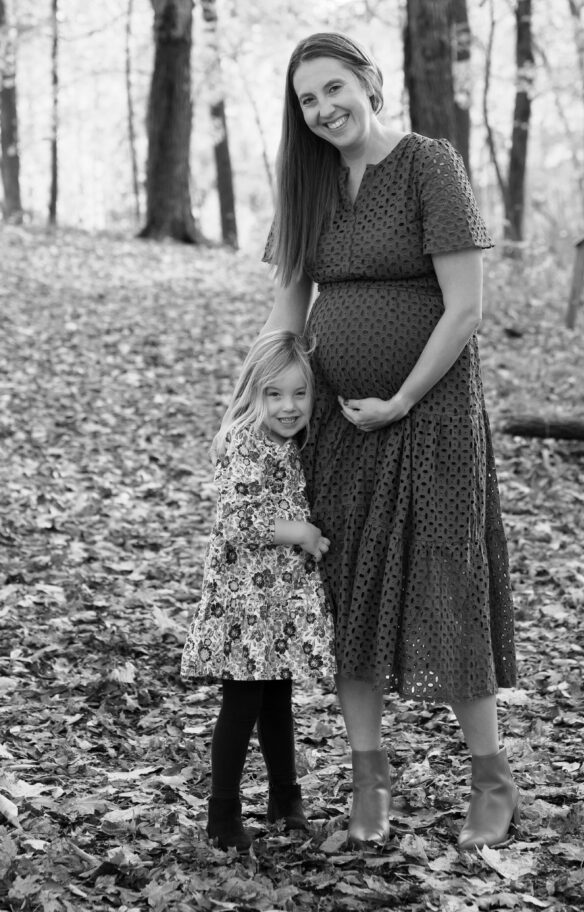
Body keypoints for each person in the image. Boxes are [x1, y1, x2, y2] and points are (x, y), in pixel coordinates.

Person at [260, 32, 519, 851]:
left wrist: (404, 397)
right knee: (348, 591)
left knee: (446, 580)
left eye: (334, 88)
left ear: (368, 82)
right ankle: (368, 777)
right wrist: (261, 403)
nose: (324, 108)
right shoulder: (306, 184)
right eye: (307, 99)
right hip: (335, 422)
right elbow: (286, 305)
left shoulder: (427, 164)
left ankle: (489, 778)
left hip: (432, 415)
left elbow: (466, 307)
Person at [181, 330, 335, 852]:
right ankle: (222, 813)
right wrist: (304, 534)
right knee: (242, 701)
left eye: (299, 394)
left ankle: (285, 797)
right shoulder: (246, 441)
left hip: (278, 602)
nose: (289, 407)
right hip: (246, 601)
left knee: (278, 698)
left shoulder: (290, 440)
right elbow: (237, 518)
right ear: (254, 393)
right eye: (275, 394)